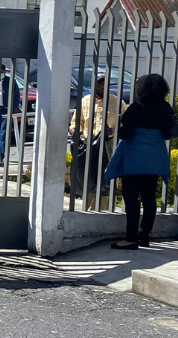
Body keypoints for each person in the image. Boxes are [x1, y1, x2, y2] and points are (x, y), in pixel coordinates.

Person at [104, 74, 175, 250]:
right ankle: (144, 236)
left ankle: (130, 238)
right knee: (150, 198)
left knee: (131, 197)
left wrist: (120, 127)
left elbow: (126, 134)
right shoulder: (166, 108)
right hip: (155, 157)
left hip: (135, 156)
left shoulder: (136, 107)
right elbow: (167, 133)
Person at [70, 73, 125, 210]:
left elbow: (126, 123)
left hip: (109, 146)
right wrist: (75, 130)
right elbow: (76, 122)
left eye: (105, 83)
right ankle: (86, 209)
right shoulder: (85, 101)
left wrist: (113, 130)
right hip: (89, 145)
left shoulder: (117, 102)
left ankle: (105, 211)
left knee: (107, 178)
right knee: (89, 178)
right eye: (100, 82)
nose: (102, 86)